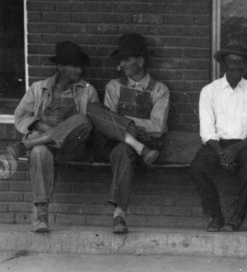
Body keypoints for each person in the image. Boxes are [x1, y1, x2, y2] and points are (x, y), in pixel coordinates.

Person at [6, 41, 98, 232]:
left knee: (82, 119)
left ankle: (26, 145)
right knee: (39, 150)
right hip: (47, 149)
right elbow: (20, 116)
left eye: (80, 66)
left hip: (74, 147)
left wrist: (64, 129)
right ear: (60, 67)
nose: (79, 70)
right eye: (74, 65)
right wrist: (42, 125)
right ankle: (41, 215)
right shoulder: (38, 89)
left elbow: (93, 124)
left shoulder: (88, 90)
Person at [86, 33, 170, 234]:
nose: (122, 64)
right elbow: (106, 123)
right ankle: (137, 146)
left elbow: (157, 127)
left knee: (124, 147)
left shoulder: (159, 90)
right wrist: (129, 126)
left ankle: (119, 215)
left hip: (146, 145)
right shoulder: (113, 86)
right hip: (118, 145)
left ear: (140, 61)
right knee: (92, 109)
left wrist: (125, 123)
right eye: (120, 60)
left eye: (127, 59)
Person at [189, 40, 247, 232]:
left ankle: (238, 215)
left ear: (246, 66)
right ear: (224, 64)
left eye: (241, 62)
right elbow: (207, 130)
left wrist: (235, 150)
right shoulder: (209, 91)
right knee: (198, 168)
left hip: (246, 145)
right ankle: (215, 216)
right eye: (232, 61)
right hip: (217, 145)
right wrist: (222, 152)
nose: (237, 66)